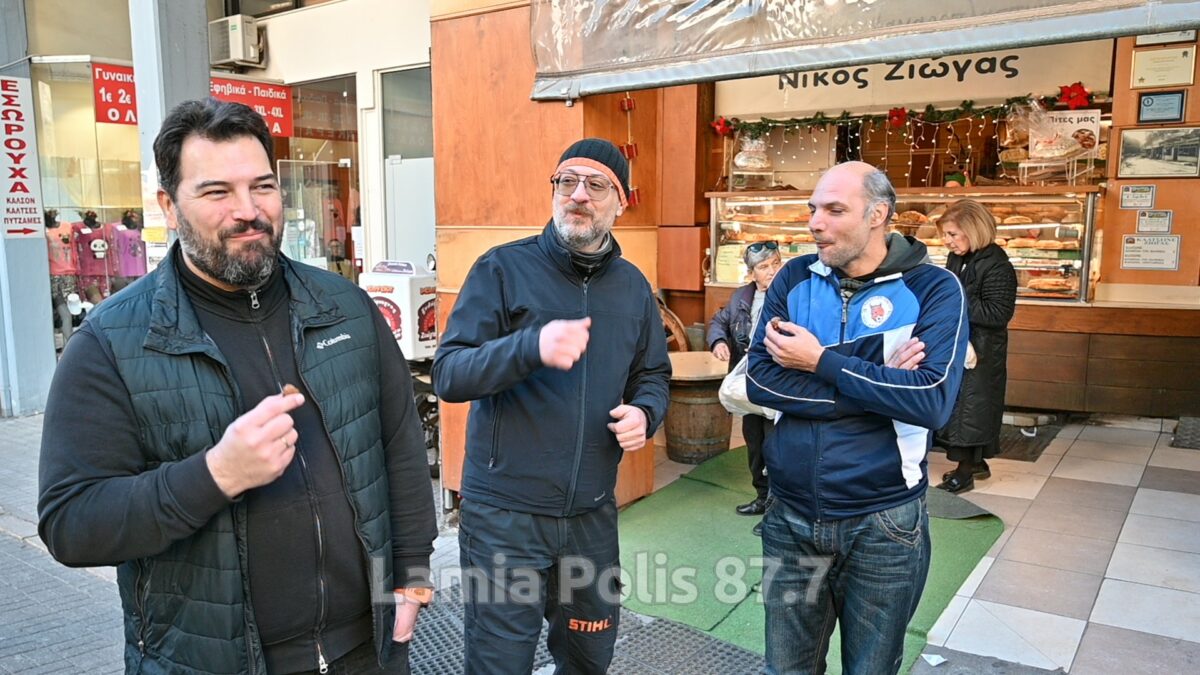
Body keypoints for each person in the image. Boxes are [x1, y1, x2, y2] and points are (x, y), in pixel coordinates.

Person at [38, 98, 437, 675]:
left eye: (263, 186)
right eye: (216, 192)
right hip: (209, 660)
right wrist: (214, 475)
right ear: (169, 207)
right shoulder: (111, 342)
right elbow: (71, 524)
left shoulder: (346, 307)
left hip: (365, 650)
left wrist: (413, 574)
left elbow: (400, 450)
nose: (248, 211)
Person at [433, 138, 671, 675]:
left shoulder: (633, 288)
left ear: (621, 202)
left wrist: (645, 412)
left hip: (591, 515)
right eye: (566, 181)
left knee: (589, 658)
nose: (578, 195)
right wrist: (529, 347)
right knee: (500, 664)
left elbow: (653, 374)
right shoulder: (502, 269)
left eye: (596, 185)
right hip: (505, 517)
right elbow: (449, 373)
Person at [747, 161, 968, 674]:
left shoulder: (934, 288)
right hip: (790, 515)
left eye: (834, 210)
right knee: (786, 669)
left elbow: (931, 400)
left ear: (878, 215)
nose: (814, 223)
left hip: (883, 522)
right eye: (813, 209)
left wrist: (818, 362)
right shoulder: (794, 278)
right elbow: (760, 381)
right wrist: (878, 382)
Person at [935, 199, 1017, 493]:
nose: (947, 241)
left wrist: (954, 300)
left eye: (953, 234)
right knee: (961, 406)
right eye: (945, 235)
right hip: (960, 344)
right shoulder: (957, 258)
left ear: (973, 230)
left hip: (984, 350)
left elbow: (998, 313)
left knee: (972, 409)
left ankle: (965, 473)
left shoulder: (997, 266)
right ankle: (977, 462)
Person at [708, 241, 782, 529]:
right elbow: (718, 321)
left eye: (776, 263)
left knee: (777, 448)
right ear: (751, 273)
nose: (772, 271)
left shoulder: (791, 294)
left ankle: (775, 512)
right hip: (748, 385)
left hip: (777, 383)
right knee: (755, 444)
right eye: (764, 267)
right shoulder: (742, 296)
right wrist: (718, 341)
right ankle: (762, 497)